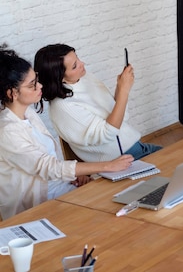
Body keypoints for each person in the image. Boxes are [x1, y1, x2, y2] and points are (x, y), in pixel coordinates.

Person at [0, 45, 133, 219]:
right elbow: (47, 167)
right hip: (39, 204)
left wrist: (71, 176)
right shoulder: (8, 131)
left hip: (60, 188)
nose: (40, 86)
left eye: (37, 80)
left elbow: (48, 160)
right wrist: (108, 166)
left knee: (120, 201)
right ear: (12, 93)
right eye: (32, 85)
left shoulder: (28, 113)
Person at [34, 44, 162, 163]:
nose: (82, 64)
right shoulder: (63, 107)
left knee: (180, 163)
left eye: (77, 58)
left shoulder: (83, 78)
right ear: (59, 77)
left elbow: (117, 115)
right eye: (74, 66)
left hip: (136, 146)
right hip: (121, 161)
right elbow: (108, 133)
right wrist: (124, 91)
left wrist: (120, 87)